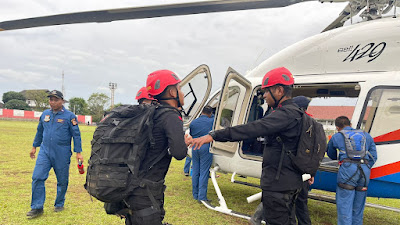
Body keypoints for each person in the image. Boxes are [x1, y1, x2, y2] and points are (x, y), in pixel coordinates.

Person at [192, 67, 303, 225]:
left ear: (279, 90)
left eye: (266, 91)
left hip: (279, 184)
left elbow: (251, 128)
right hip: (290, 182)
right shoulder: (297, 113)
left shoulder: (283, 115)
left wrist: (214, 135)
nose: (264, 96)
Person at [124, 70, 191, 225]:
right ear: (172, 91)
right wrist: (184, 142)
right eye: (180, 89)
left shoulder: (150, 114)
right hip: (146, 193)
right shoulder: (171, 116)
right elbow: (179, 153)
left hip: (131, 187)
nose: (182, 93)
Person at [27, 90, 83, 219]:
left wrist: (78, 153)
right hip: (45, 152)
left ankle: (59, 203)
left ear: (62, 101)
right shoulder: (45, 114)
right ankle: (37, 207)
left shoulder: (69, 116)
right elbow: (39, 131)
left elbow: (76, 135)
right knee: (37, 177)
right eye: (51, 99)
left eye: (55, 100)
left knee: (62, 180)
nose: (52, 102)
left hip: (62, 152)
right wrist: (34, 147)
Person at [327, 116, 377, 225]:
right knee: (358, 208)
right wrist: (367, 166)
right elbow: (374, 156)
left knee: (344, 206)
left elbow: (330, 154)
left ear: (337, 127)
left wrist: (343, 161)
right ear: (350, 124)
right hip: (364, 171)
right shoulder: (366, 135)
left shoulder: (337, 136)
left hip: (348, 170)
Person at [292, 96, 313, 225]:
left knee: (287, 200)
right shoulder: (312, 123)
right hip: (305, 170)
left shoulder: (295, 122)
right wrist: (312, 172)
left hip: (293, 168)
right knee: (301, 202)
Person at [190, 106, 214, 202]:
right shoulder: (212, 121)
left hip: (195, 147)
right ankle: (202, 197)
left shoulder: (194, 122)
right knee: (204, 172)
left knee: (195, 170)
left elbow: (191, 134)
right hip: (206, 146)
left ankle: (195, 194)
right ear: (210, 113)